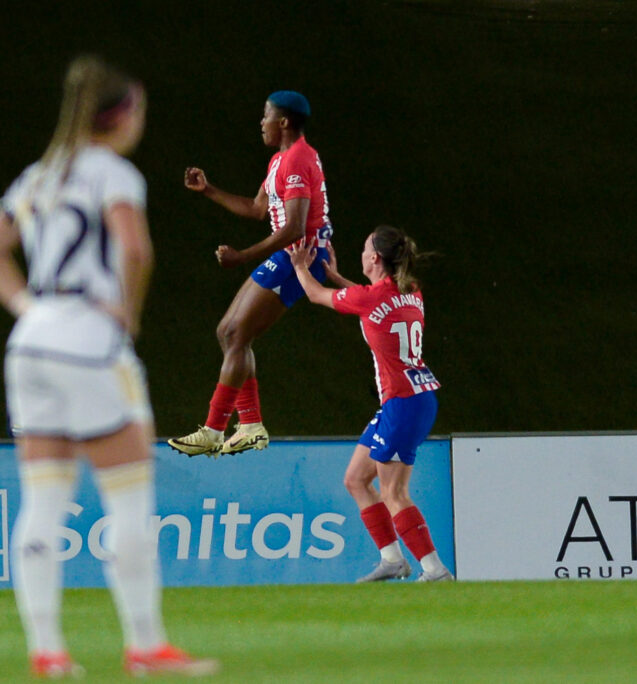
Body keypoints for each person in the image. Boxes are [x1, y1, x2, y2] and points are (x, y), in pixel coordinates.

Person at [0, 55, 218, 678]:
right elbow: (134, 246)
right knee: (128, 499)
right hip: (88, 342)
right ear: (124, 114)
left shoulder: (38, 176)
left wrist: (29, 305)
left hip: (31, 343)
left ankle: (47, 651)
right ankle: (146, 644)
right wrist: (125, 315)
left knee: (43, 501)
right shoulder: (113, 173)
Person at [167, 90, 333, 458]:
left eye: (266, 116)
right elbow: (258, 209)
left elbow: (294, 227)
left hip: (300, 257)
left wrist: (241, 256)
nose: (262, 123)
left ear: (284, 122)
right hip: (290, 255)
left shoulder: (297, 160)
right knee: (228, 332)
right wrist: (208, 190)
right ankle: (251, 425)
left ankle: (214, 430)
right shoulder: (280, 161)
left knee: (236, 332)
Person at [289, 226, 454, 583]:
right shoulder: (411, 292)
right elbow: (370, 300)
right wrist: (335, 276)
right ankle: (393, 560)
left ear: (375, 259)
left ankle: (434, 570)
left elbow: (318, 296)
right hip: (414, 398)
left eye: (365, 248)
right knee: (356, 480)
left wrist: (301, 267)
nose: (361, 253)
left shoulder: (372, 297)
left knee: (394, 492)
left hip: (403, 403)